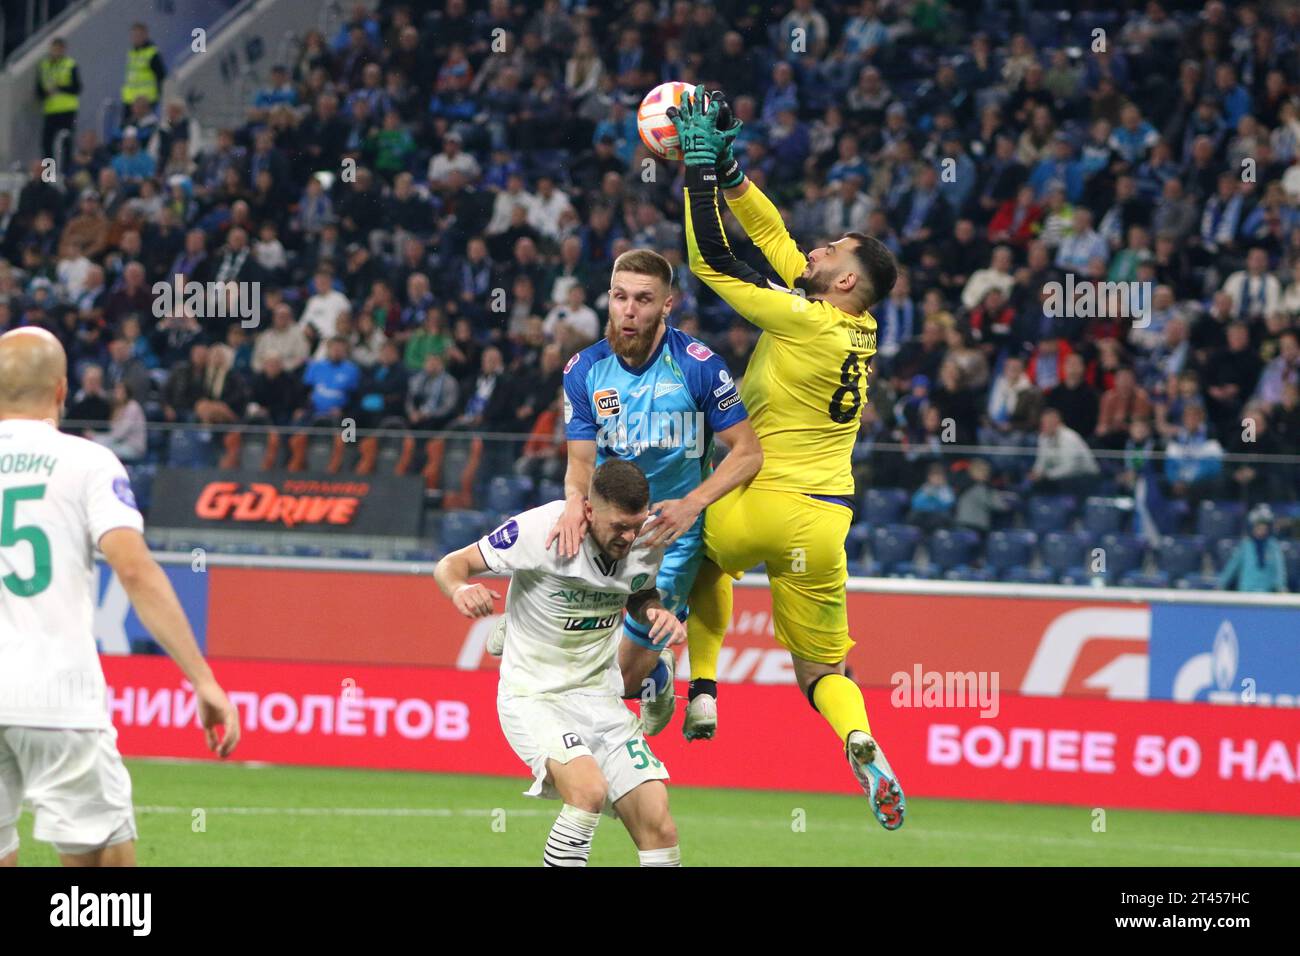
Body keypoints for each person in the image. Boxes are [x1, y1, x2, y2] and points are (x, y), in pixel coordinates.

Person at [671, 86, 904, 829]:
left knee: (696, 555)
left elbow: (711, 263)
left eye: (831, 250)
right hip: (823, 524)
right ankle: (859, 739)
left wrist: (698, 172)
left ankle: (697, 687)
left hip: (759, 501)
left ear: (842, 283)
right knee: (824, 671)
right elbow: (777, 244)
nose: (817, 248)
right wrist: (736, 175)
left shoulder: (806, 320)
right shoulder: (856, 326)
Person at [0, 327, 239, 868]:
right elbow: (133, 570)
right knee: (107, 864)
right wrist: (203, 678)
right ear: (62, 391)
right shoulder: (88, 462)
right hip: (54, 694)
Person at [517, 247, 762, 742]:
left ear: (667, 305)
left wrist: (694, 505)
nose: (629, 310)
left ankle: (656, 675)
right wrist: (572, 504)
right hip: (605, 530)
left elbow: (748, 453)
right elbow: (581, 463)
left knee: (624, 680)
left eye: (644, 300)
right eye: (620, 296)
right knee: (568, 648)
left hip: (668, 536)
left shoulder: (698, 367)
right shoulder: (584, 369)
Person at [434, 460, 685, 867]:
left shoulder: (645, 540)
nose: (629, 536)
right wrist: (460, 588)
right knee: (587, 791)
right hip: (535, 697)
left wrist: (655, 612)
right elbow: (451, 563)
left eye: (636, 524)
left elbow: (639, 593)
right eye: (619, 526)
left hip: (602, 699)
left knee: (659, 825)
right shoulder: (539, 530)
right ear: (587, 510)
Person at [1217, 505, 1288, 593]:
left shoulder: (1273, 546)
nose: (1261, 530)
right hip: (1246, 592)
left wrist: (1281, 586)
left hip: (1268, 593)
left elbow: (1279, 569)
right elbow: (1232, 566)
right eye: (1258, 527)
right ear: (1252, 527)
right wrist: (1221, 584)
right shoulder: (1246, 545)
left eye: (1264, 527)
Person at [37, 38, 81, 172]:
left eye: (59, 49)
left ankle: (65, 172)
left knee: (66, 142)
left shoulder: (70, 64)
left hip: (67, 110)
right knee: (47, 143)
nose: (56, 52)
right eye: (54, 49)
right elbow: (39, 90)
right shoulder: (44, 66)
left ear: (63, 50)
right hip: (51, 110)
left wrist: (59, 88)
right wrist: (46, 93)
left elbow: (77, 88)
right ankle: (48, 174)